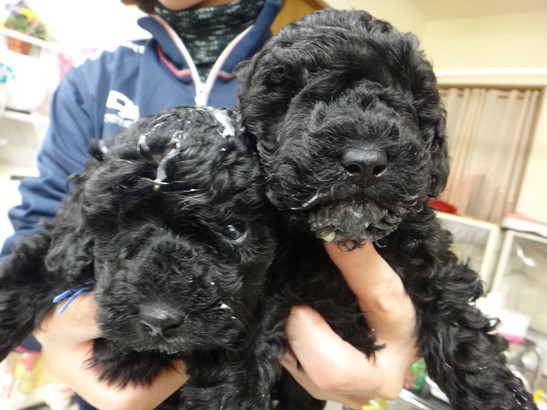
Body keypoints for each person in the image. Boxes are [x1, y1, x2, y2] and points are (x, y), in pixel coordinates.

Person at [1, 0, 419, 409]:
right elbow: (44, 236)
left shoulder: (304, 73)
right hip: (111, 376)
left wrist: (393, 341)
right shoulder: (94, 76)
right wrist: (49, 332)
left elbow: (362, 235)